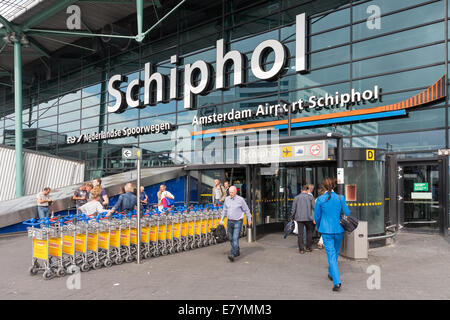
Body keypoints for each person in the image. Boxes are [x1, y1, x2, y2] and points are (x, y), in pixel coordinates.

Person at [314, 177, 351, 292]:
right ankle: (331, 273)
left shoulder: (320, 199)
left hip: (326, 230)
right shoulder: (341, 198)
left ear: (323, 186)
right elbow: (348, 212)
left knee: (331, 255)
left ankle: (337, 282)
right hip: (339, 230)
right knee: (335, 254)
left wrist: (319, 226)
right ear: (334, 186)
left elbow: (317, 217)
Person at [219, 186, 252, 262]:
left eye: (232, 192)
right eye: (230, 192)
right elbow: (224, 210)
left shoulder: (240, 200)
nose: (231, 194)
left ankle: (232, 254)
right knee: (230, 238)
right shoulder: (227, 199)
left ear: (235, 192)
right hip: (229, 221)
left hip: (238, 221)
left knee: (235, 238)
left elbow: (247, 210)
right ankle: (237, 250)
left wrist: (249, 219)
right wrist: (221, 219)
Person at [290, 184, 315, 254]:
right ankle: (308, 247)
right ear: (307, 190)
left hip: (299, 218)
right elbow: (314, 208)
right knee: (309, 232)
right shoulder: (310, 197)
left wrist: (292, 217)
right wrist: (314, 218)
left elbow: (293, 209)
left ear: (301, 190)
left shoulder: (296, 198)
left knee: (300, 234)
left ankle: (301, 249)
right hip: (309, 218)